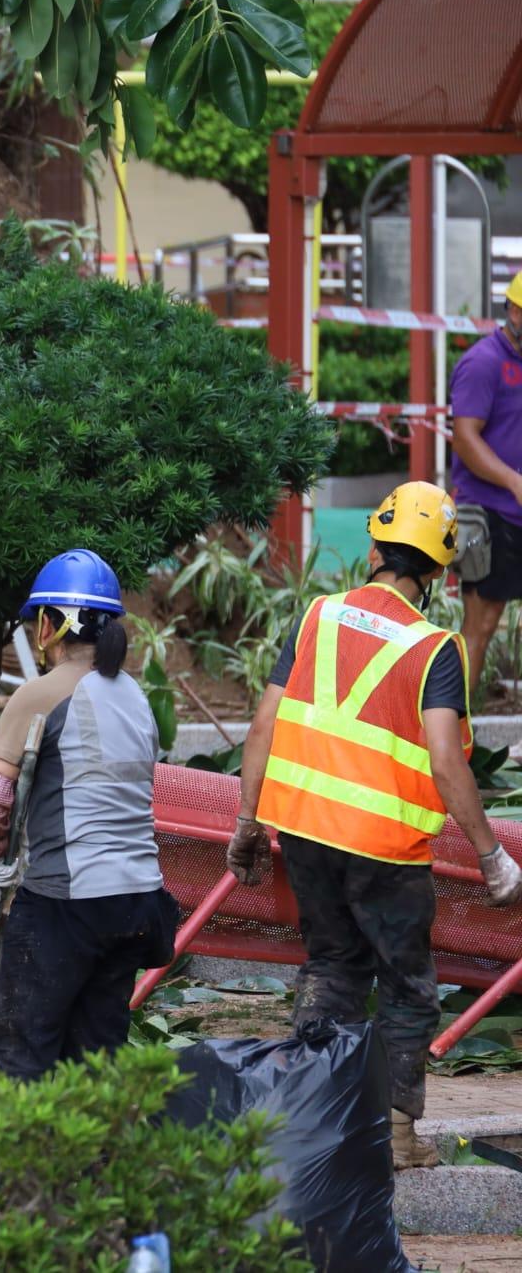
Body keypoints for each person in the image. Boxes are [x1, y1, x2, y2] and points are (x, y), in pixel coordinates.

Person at [228, 480, 522, 1168]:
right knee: (407, 982)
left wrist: (247, 823)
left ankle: (318, 1119)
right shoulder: (434, 648)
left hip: (303, 831)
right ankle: (392, 1134)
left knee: (331, 966)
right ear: (441, 572)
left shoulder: (316, 616)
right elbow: (447, 761)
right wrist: (491, 857)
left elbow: (264, 725)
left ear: (373, 547)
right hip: (384, 848)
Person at [0, 550, 176, 1080]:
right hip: (138, 901)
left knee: (20, 1044)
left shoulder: (42, 692)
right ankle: (96, 1159)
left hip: (68, 901)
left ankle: (23, 1162)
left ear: (50, 624)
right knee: (96, 1050)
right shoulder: (136, 697)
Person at [449, 271, 522, 689]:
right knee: (480, 625)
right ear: (514, 311)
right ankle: (454, 736)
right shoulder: (483, 363)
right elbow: (464, 438)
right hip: (491, 515)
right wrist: (513, 482)